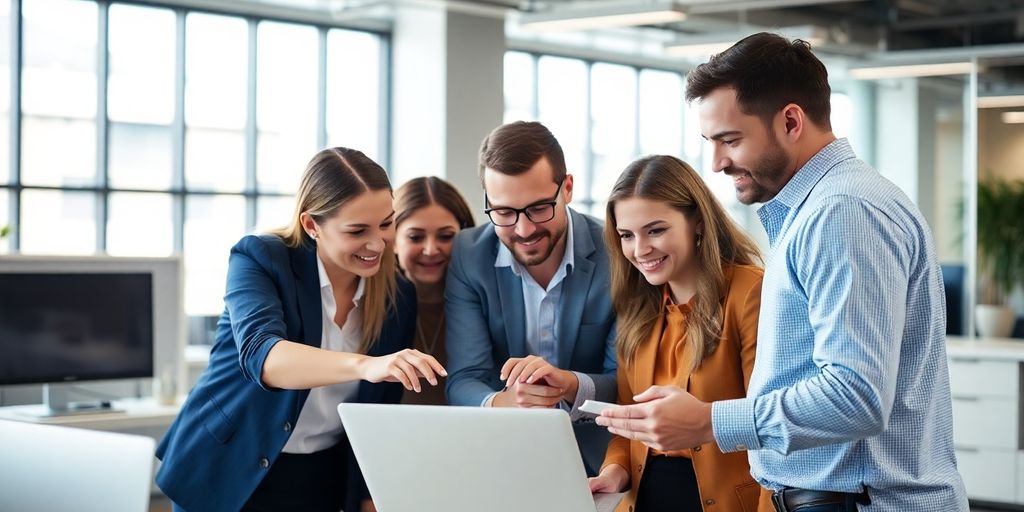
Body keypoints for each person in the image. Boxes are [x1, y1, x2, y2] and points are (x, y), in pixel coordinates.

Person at [596, 32, 969, 511]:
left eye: (730, 140)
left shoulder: (843, 211)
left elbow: (857, 394)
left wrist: (708, 421)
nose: (717, 163)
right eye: (710, 142)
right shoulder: (822, 210)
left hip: (856, 502)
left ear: (791, 120)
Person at [155, 147, 446, 512]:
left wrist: (368, 495)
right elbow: (264, 358)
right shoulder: (260, 258)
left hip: (320, 475)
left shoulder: (397, 295)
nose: (378, 244)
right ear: (312, 225)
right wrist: (365, 364)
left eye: (386, 224)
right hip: (228, 465)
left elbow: (377, 411)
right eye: (357, 230)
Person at [587, 155, 769, 511]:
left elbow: (768, 426)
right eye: (627, 235)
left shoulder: (749, 292)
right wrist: (614, 471)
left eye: (655, 230)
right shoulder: (637, 309)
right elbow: (629, 428)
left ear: (697, 222)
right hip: (645, 499)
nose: (640, 251)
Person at [445, 120, 616, 475]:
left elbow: (625, 380)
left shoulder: (615, 253)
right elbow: (463, 379)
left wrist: (570, 384)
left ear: (567, 188)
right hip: (498, 455)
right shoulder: (468, 255)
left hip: (599, 462)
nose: (524, 230)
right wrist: (504, 403)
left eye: (539, 208)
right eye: (504, 213)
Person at [393, 176, 475, 405]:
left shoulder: (482, 305)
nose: (430, 250)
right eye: (416, 237)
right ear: (392, 241)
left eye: (446, 236)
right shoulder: (370, 303)